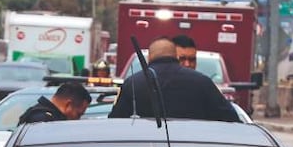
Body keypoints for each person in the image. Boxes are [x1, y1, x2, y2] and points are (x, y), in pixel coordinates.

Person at [108, 36, 238, 122]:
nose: (187, 63)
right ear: (175, 56)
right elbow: (231, 118)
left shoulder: (133, 83)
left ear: (149, 59)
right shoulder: (203, 83)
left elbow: (115, 123)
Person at [17, 81, 92, 123]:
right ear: (68, 105)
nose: (78, 120)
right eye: (78, 114)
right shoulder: (45, 122)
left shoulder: (35, 114)